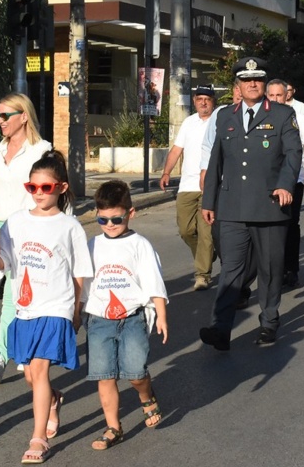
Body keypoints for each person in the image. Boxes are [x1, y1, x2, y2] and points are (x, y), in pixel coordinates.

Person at [0, 151, 92, 464]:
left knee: (39, 372)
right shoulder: (15, 223)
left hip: (56, 308)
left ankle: (38, 438)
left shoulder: (70, 227)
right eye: (33, 187)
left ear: (62, 188)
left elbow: (80, 271)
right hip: (24, 310)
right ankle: (53, 400)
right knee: (32, 377)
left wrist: (77, 310)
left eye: (46, 187)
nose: (39, 193)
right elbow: (5, 264)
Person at [199, 57, 302, 350]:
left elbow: (293, 153)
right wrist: (209, 200)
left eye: (257, 79)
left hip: (269, 205)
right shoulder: (225, 115)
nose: (252, 84)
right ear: (238, 85)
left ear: (264, 82)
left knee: (270, 269)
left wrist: (285, 183)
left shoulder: (283, 114)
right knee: (231, 269)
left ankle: (269, 321)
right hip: (231, 207)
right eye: (246, 80)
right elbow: (216, 159)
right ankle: (221, 328)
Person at [83, 180, 169, 451]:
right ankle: (113, 427)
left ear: (131, 214)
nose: (109, 225)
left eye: (116, 219)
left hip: (132, 318)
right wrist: (76, 313)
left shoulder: (139, 245)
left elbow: (154, 283)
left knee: (134, 373)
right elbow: (83, 284)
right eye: (102, 219)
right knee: (104, 375)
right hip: (99, 320)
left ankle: (146, 395)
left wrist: (162, 317)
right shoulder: (92, 245)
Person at [0, 93, 53, 385]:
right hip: (0, 225)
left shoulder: (42, 149)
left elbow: (53, 190)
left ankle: (1, 353)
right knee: (18, 291)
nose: (0, 121)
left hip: (30, 226)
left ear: (23, 116)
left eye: (5, 116)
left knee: (13, 292)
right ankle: (26, 350)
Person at [160, 85, 216, 290]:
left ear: (213, 101)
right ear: (194, 101)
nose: (203, 102)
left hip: (210, 185)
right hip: (187, 185)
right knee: (185, 230)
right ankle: (209, 254)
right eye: (200, 99)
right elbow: (176, 150)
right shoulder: (188, 122)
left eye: (207, 99)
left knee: (206, 232)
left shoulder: (219, 121)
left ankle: (202, 275)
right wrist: (166, 172)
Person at [268, 78, 304, 290]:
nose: (275, 99)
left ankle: (291, 270)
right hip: (268, 182)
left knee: (290, 226)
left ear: (287, 95)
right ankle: (272, 271)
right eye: (271, 95)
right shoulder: (260, 115)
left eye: (279, 95)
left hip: (293, 180)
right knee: (270, 228)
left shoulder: (296, 116)